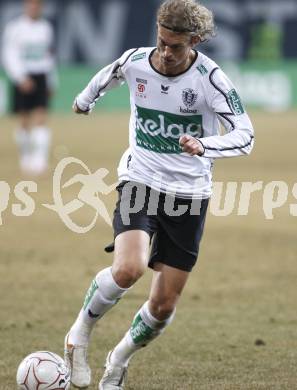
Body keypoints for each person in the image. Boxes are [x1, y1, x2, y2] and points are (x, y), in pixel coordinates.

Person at [64, 0, 255, 388]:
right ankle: (78, 335)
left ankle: (117, 360)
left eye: (176, 47)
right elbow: (109, 74)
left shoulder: (211, 79)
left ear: (196, 41)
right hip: (141, 179)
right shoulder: (136, 60)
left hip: (190, 194)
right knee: (128, 269)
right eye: (162, 42)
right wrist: (85, 100)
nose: (166, 53)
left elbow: (246, 135)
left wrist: (206, 145)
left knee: (163, 306)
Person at [1, 0, 56, 175]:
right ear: (26, 7)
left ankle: (40, 161)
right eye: (31, 5)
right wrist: (20, 77)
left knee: (41, 117)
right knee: (24, 120)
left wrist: (52, 80)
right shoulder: (15, 28)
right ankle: (25, 158)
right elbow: (8, 54)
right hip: (23, 76)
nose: (34, 8)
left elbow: (49, 55)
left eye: (37, 5)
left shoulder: (46, 28)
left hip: (41, 75)